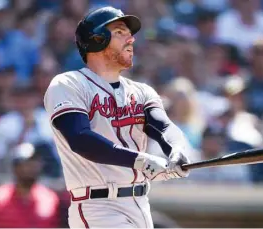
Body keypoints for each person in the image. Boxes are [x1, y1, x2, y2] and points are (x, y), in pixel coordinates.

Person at [43, 6, 190, 228]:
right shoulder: (68, 84)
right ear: (97, 38)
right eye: (120, 32)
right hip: (98, 206)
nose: (130, 39)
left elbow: (164, 128)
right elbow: (80, 138)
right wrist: (142, 161)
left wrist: (176, 151)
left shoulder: (142, 91)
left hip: (140, 204)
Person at [0, 143, 60, 228]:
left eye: (35, 163)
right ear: (15, 167)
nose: (31, 168)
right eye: (26, 164)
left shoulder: (50, 198)